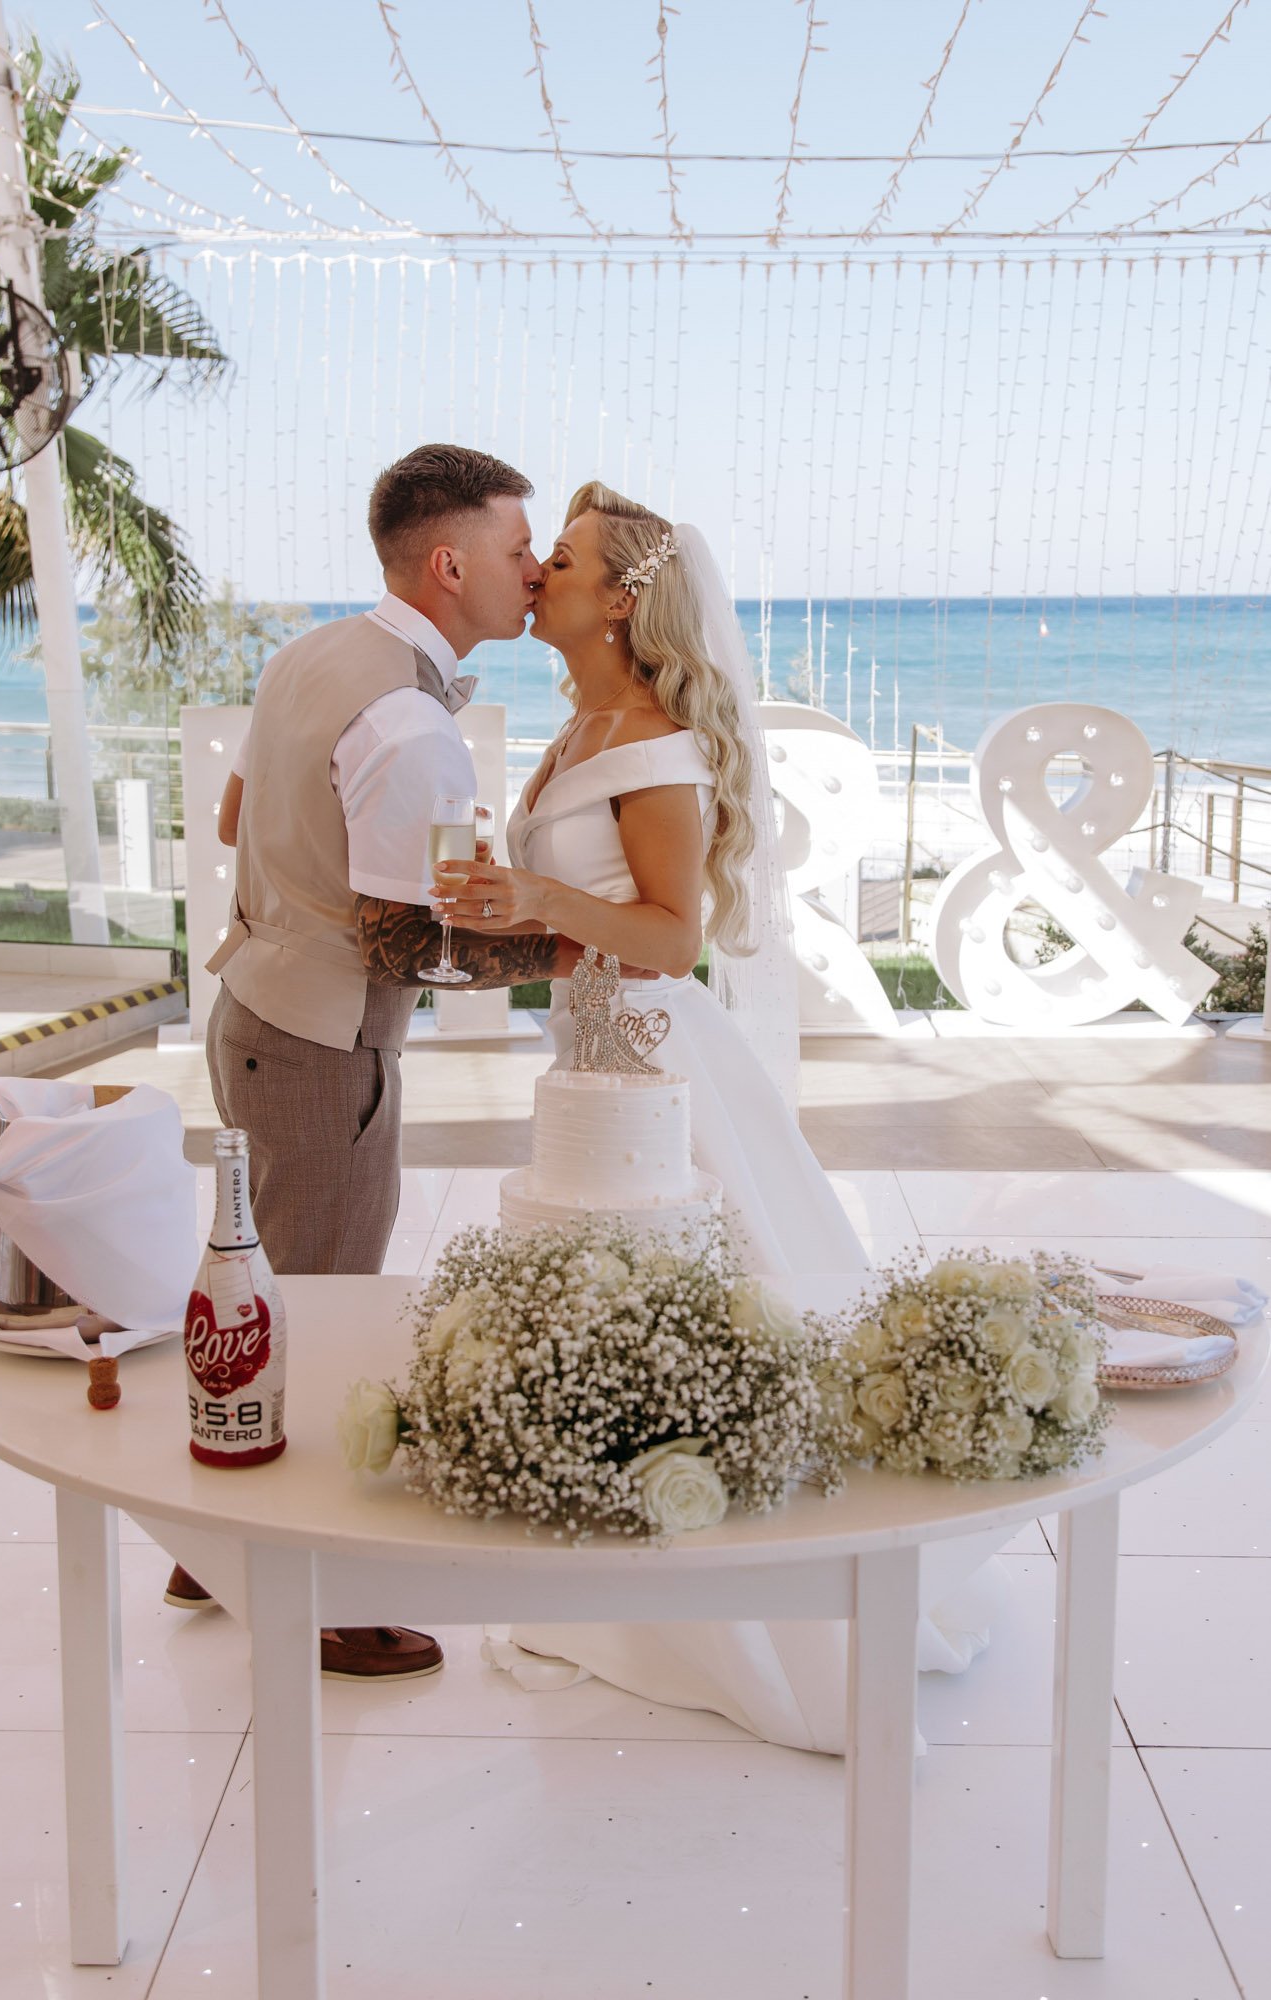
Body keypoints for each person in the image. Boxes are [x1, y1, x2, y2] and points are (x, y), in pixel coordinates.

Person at [436, 481, 1005, 1751]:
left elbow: (671, 937)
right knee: (615, 1309)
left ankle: (737, 1605)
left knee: (696, 1295)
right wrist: (505, 917)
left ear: (624, 600)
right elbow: (586, 921)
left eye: (562, 559)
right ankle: (620, 1564)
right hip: (585, 1057)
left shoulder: (652, 744)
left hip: (651, 1062)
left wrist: (536, 891)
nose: (536, 575)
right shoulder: (580, 728)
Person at [172, 444, 579, 1683]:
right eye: (519, 549)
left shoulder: (314, 652)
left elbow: (242, 815)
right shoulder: (410, 723)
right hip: (317, 1042)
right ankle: (312, 1594)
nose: (536, 569)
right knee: (325, 1302)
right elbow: (406, 942)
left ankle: (209, 1548)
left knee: (269, 1279)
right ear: (451, 563)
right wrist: (575, 949)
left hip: (251, 1000)